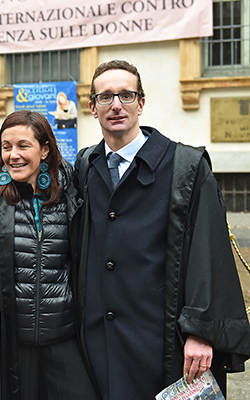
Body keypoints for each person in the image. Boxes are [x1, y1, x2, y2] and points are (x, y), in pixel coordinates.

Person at [72, 59, 250, 399]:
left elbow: (208, 252)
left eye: (126, 95)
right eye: (105, 97)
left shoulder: (185, 167)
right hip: (99, 343)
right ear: (92, 108)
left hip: (164, 342)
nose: (116, 105)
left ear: (141, 103)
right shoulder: (85, 167)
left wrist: (200, 331)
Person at [0, 110, 97, 400]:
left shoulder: (71, 200)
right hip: (12, 344)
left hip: (64, 339)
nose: (13, 155)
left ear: (44, 150)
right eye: (6, 147)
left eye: (23, 146)